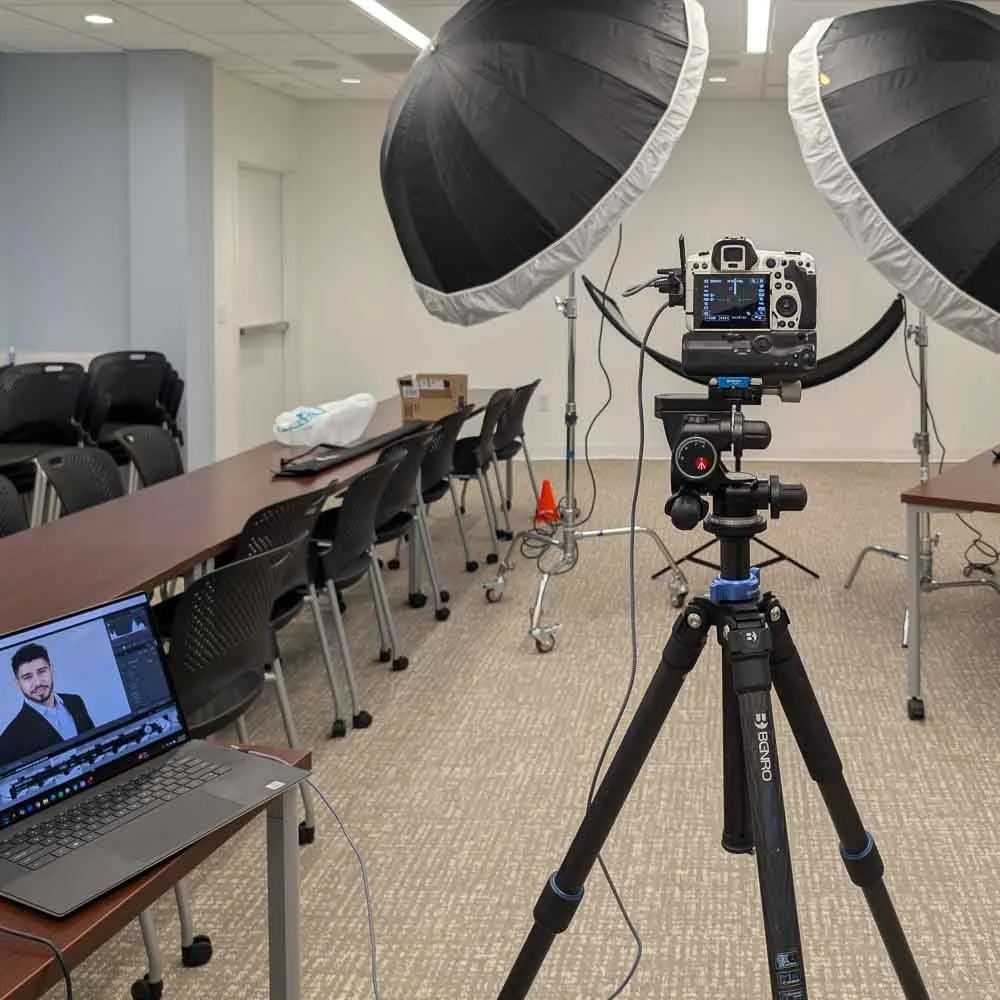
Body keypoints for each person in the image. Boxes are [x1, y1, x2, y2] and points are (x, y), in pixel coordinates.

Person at [0, 643, 95, 765]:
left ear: (51, 670)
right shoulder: (9, 739)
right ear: (18, 683)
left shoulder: (75, 701)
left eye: (42, 672)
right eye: (27, 677)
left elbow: (95, 743)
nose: (38, 682)